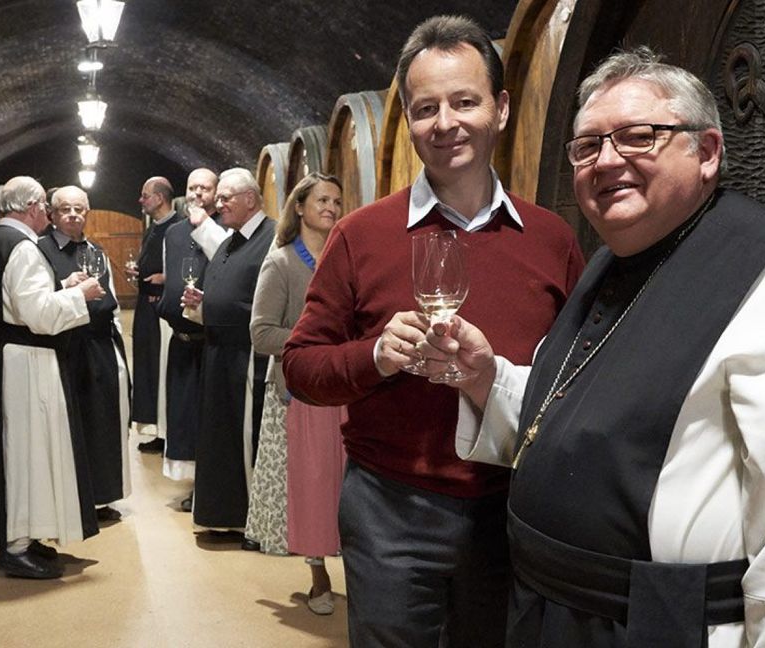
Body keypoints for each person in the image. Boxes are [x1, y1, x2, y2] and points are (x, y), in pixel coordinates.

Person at [425, 47, 765, 646]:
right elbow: (580, 420)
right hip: (550, 615)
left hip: (660, 628)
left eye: (639, 137)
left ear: (707, 152)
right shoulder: (612, 263)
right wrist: (487, 378)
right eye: (587, 146)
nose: (607, 160)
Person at [281, 16, 585, 647]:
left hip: (510, 510)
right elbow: (301, 366)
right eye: (425, 109)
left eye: (465, 101)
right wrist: (376, 357)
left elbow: (580, 377)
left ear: (501, 109)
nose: (445, 123)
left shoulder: (551, 239)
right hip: (391, 511)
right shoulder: (361, 234)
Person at [0, 176, 105, 579]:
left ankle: (28, 535)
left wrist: (61, 285)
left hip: (9, 354)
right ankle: (16, 546)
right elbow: (40, 317)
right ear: (29, 207)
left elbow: (15, 301)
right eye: (44, 205)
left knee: (22, 448)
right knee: (26, 450)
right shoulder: (23, 247)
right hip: (26, 361)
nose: (47, 211)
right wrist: (82, 294)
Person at [245, 173, 348, 615]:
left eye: (337, 201)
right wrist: (313, 343)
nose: (331, 207)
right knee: (309, 485)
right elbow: (261, 333)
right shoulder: (282, 263)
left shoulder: (346, 259)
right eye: (322, 199)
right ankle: (317, 572)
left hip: (345, 385)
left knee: (344, 484)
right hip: (299, 391)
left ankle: (354, 567)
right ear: (300, 207)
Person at [180, 168, 277, 534]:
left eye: (225, 198)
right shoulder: (231, 239)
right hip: (218, 352)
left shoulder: (270, 237)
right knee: (220, 438)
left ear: (250, 199)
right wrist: (203, 303)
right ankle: (225, 516)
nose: (217, 204)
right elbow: (228, 295)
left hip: (247, 356)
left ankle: (252, 520)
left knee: (244, 438)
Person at [39, 185, 131, 516]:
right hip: (66, 347)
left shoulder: (95, 250)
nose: (74, 215)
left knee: (104, 422)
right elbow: (37, 301)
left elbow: (112, 302)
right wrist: (66, 289)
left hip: (100, 346)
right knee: (73, 424)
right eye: (66, 209)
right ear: (51, 213)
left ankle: (101, 496)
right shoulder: (41, 250)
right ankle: (73, 498)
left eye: (80, 209)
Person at [154, 168, 221, 506]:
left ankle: (209, 487)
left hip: (211, 338)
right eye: (193, 187)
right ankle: (196, 484)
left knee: (210, 415)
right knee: (184, 414)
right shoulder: (175, 233)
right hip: (181, 336)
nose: (198, 194)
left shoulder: (226, 230)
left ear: (216, 192)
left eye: (205, 188)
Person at [131, 177, 178, 454]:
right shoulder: (153, 229)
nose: (141, 200)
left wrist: (166, 278)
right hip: (146, 309)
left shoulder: (178, 228)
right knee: (149, 369)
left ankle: (167, 431)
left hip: (164, 312)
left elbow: (189, 269)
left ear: (160, 198)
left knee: (161, 369)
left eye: (145, 195)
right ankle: (158, 431)